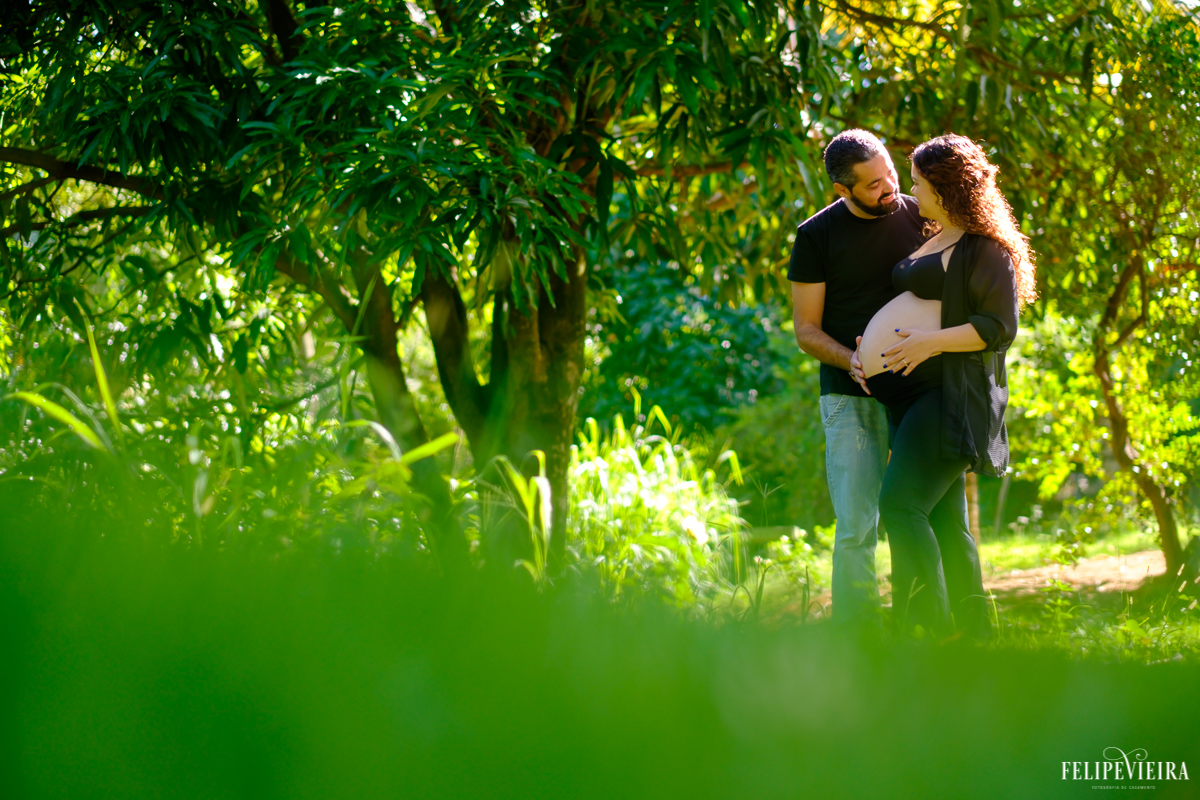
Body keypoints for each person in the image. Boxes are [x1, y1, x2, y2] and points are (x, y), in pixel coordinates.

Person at [850, 134, 1037, 639]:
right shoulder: (936, 236)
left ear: (946, 187)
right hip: (911, 397)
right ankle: (974, 634)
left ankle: (924, 629)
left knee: (901, 505)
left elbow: (999, 326)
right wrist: (870, 348)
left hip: (949, 396)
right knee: (945, 521)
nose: (912, 189)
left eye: (919, 181)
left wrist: (928, 343)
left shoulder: (985, 249)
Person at [788, 130, 927, 627]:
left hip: (919, 393)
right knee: (856, 524)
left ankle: (922, 622)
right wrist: (851, 359)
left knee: (918, 514)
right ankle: (858, 634)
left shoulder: (920, 214)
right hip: (851, 395)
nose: (889, 187)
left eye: (890, 172)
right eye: (872, 184)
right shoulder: (815, 236)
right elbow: (806, 330)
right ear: (842, 191)